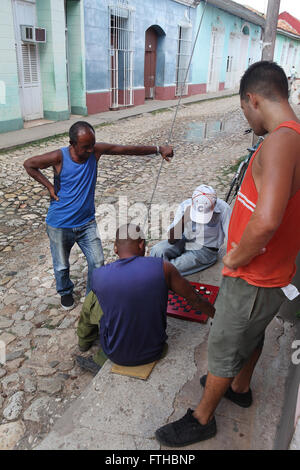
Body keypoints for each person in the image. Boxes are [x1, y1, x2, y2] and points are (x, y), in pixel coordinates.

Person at [155, 61, 300, 447]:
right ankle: (240, 386)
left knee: (224, 342)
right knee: (251, 334)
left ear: (252, 99)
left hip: (254, 274)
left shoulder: (282, 140)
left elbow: (267, 220)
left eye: (243, 110)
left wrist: (235, 259)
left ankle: (202, 417)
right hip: (271, 272)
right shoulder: (291, 136)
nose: (247, 118)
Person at [23, 121, 173, 310]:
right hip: (59, 224)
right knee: (61, 265)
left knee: (98, 262)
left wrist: (159, 149)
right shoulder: (58, 157)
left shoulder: (95, 151)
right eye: (85, 147)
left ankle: (91, 298)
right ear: (72, 143)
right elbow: (29, 165)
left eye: (92, 144)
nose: (89, 150)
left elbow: (126, 149)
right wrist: (50, 186)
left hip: (87, 223)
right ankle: (65, 292)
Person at [76, 224, 215, 375]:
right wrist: (218, 316)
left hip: (115, 354)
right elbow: (195, 299)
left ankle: (84, 343)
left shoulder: (98, 275)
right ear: (142, 244)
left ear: (115, 248)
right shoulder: (163, 267)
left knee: (93, 301)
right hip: (155, 350)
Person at [150, 185, 231, 276]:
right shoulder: (185, 205)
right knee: (157, 250)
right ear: (192, 202)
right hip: (184, 240)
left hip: (205, 249)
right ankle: (158, 274)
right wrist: (183, 220)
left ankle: (159, 275)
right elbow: (171, 240)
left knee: (171, 269)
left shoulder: (224, 209)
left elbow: (231, 236)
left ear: (215, 204)